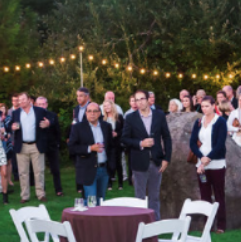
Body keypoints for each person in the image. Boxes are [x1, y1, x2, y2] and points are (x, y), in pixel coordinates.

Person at [122, 89, 173, 219]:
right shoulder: (130, 118)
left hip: (156, 162)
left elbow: (167, 137)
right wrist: (140, 143)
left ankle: (155, 227)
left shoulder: (159, 115)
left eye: (142, 99)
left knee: (154, 197)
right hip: (139, 163)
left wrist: (166, 158)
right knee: (139, 198)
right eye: (136, 100)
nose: (139, 102)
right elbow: (124, 139)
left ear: (148, 99)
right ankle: (139, 225)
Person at [189, 96, 229, 233]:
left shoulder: (220, 122)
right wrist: (201, 158)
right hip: (202, 166)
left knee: (219, 195)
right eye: (203, 106)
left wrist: (208, 158)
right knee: (205, 195)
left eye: (207, 106)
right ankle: (208, 225)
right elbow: (192, 143)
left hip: (217, 164)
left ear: (213, 105)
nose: (204, 109)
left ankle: (221, 225)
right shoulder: (198, 122)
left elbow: (219, 144)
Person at [68, 102, 114, 205]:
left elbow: (111, 147)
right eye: (89, 111)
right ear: (85, 113)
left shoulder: (106, 126)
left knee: (101, 200)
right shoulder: (78, 128)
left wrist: (112, 164)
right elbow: (72, 147)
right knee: (91, 201)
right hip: (87, 169)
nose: (92, 114)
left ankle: (100, 220)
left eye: (95, 111)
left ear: (99, 113)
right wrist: (89, 148)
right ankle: (88, 220)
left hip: (104, 169)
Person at [10, 92, 50, 203]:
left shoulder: (39, 111)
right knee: (23, 172)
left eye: (23, 99)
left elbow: (51, 120)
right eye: (19, 100)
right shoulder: (16, 113)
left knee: (39, 171)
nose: (21, 102)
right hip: (21, 146)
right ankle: (25, 196)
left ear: (29, 100)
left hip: (36, 145)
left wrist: (48, 123)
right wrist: (12, 127)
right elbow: (10, 125)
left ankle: (41, 194)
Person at [35, 96, 65, 197]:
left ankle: (58, 189)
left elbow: (57, 130)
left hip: (52, 145)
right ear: (36, 105)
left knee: (55, 169)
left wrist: (49, 124)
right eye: (39, 104)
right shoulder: (34, 116)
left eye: (43, 104)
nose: (42, 106)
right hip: (39, 146)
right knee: (39, 169)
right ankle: (41, 191)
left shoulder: (52, 115)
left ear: (46, 104)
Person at [102, 100, 125, 190]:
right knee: (107, 164)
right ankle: (109, 184)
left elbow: (124, 129)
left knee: (118, 163)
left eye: (108, 105)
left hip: (117, 143)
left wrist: (117, 134)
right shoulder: (103, 118)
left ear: (112, 106)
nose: (106, 107)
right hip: (107, 144)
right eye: (105, 106)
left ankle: (120, 184)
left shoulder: (119, 117)